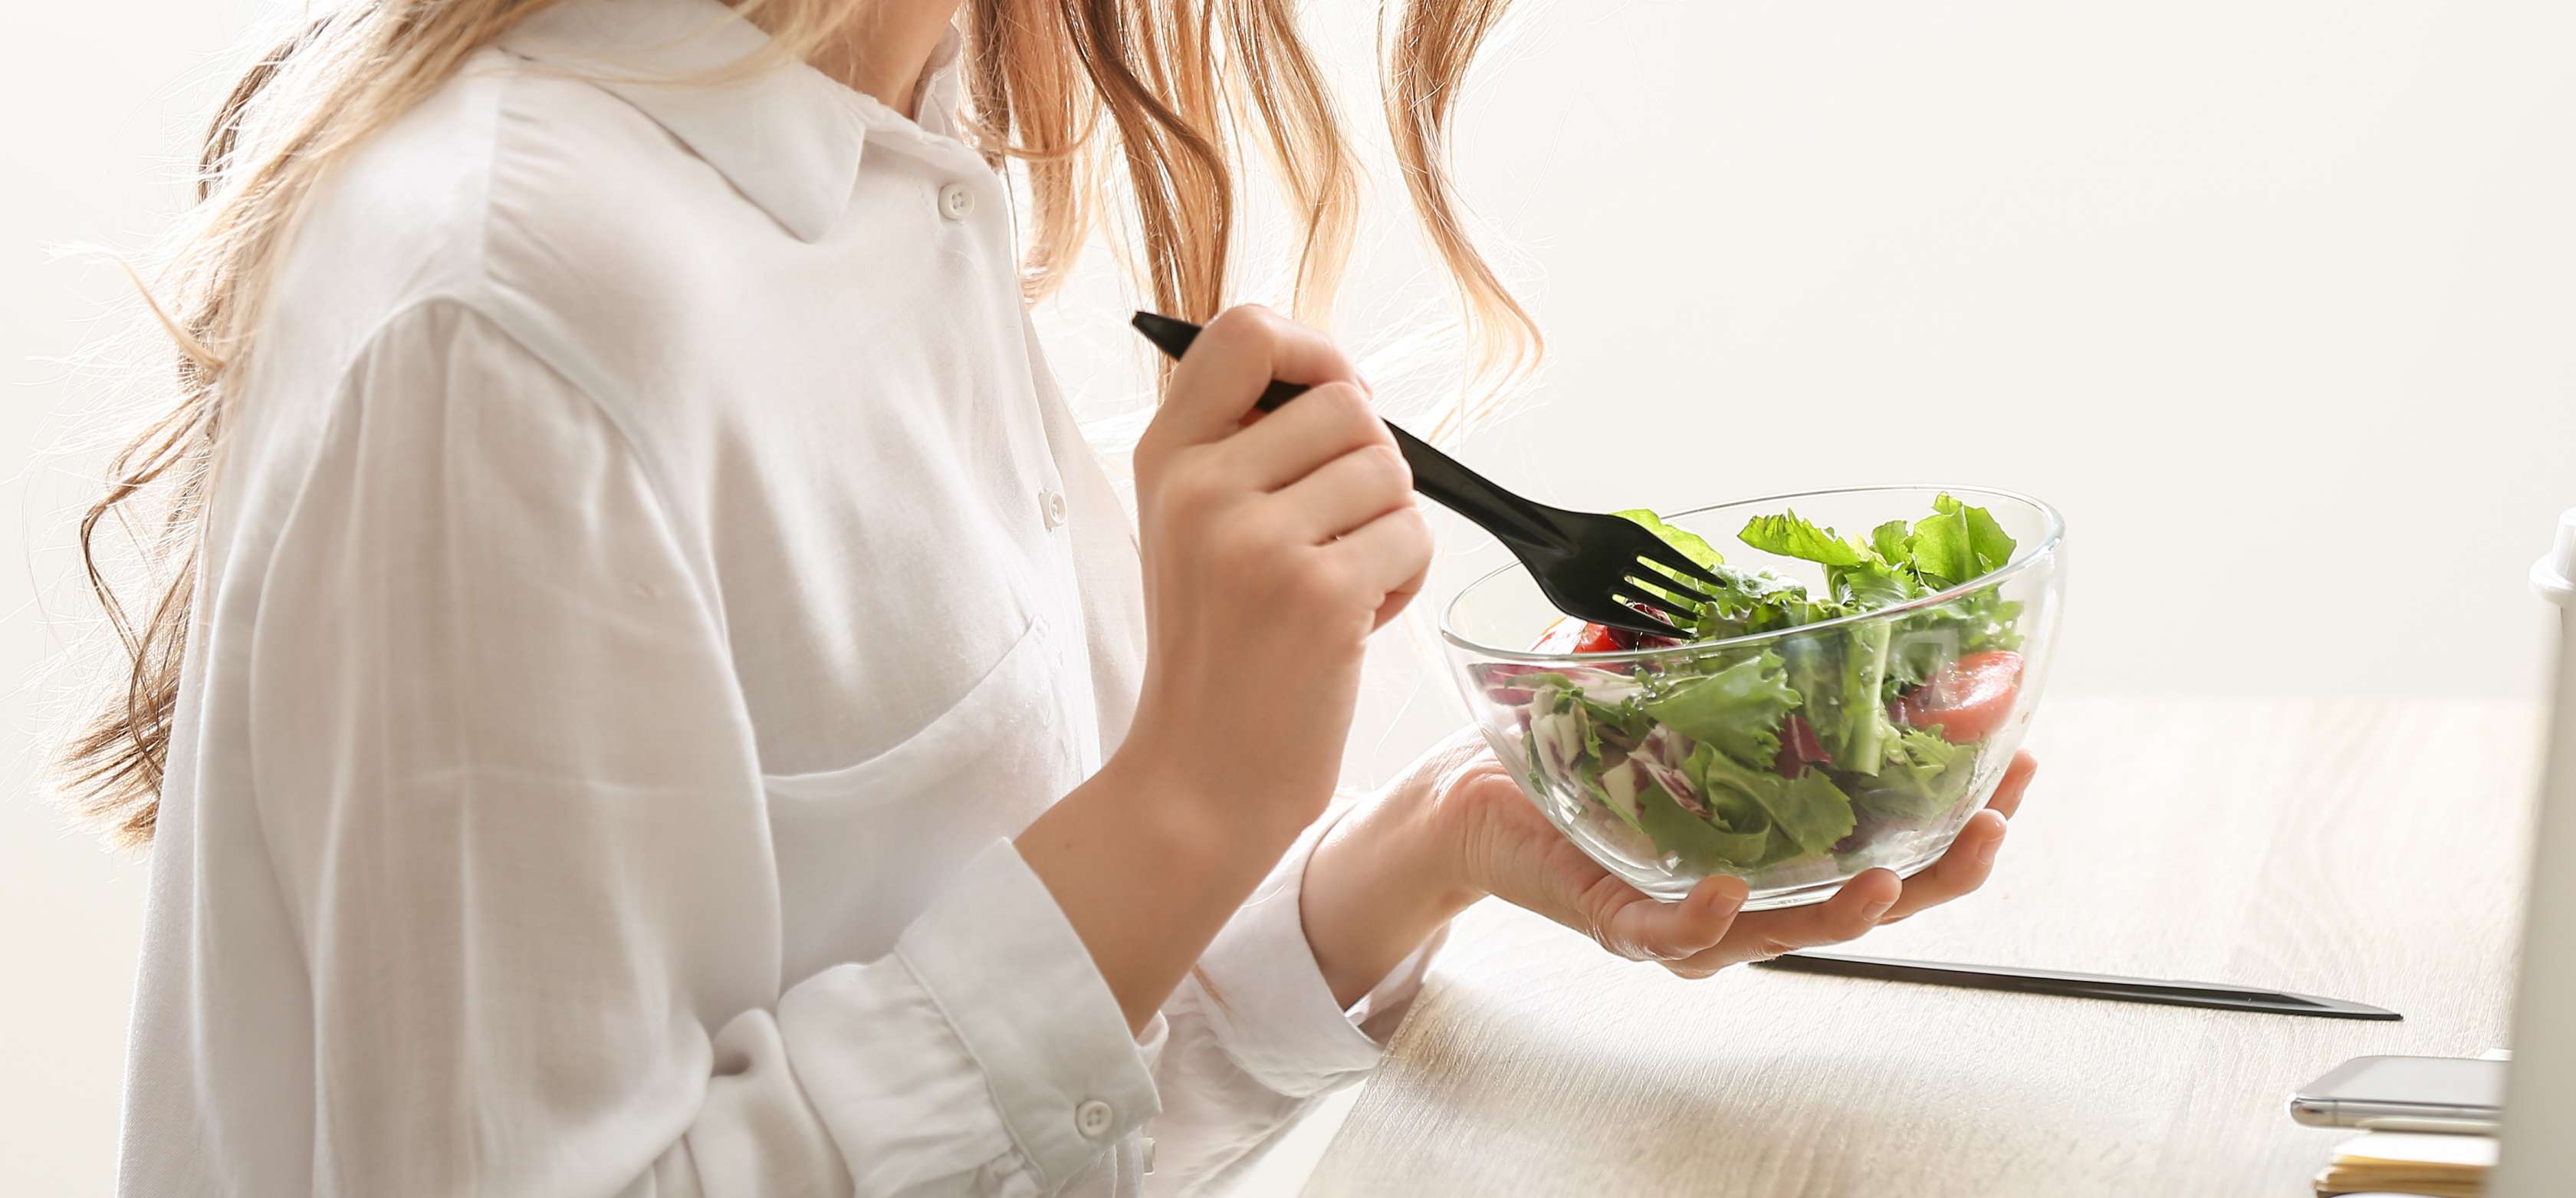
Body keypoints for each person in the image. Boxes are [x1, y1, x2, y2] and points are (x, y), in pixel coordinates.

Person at [65, 0, 2037, 1193]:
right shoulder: (512, 307)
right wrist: (1191, 792)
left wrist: (1425, 851)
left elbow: (1021, 1115)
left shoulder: (896, 172)